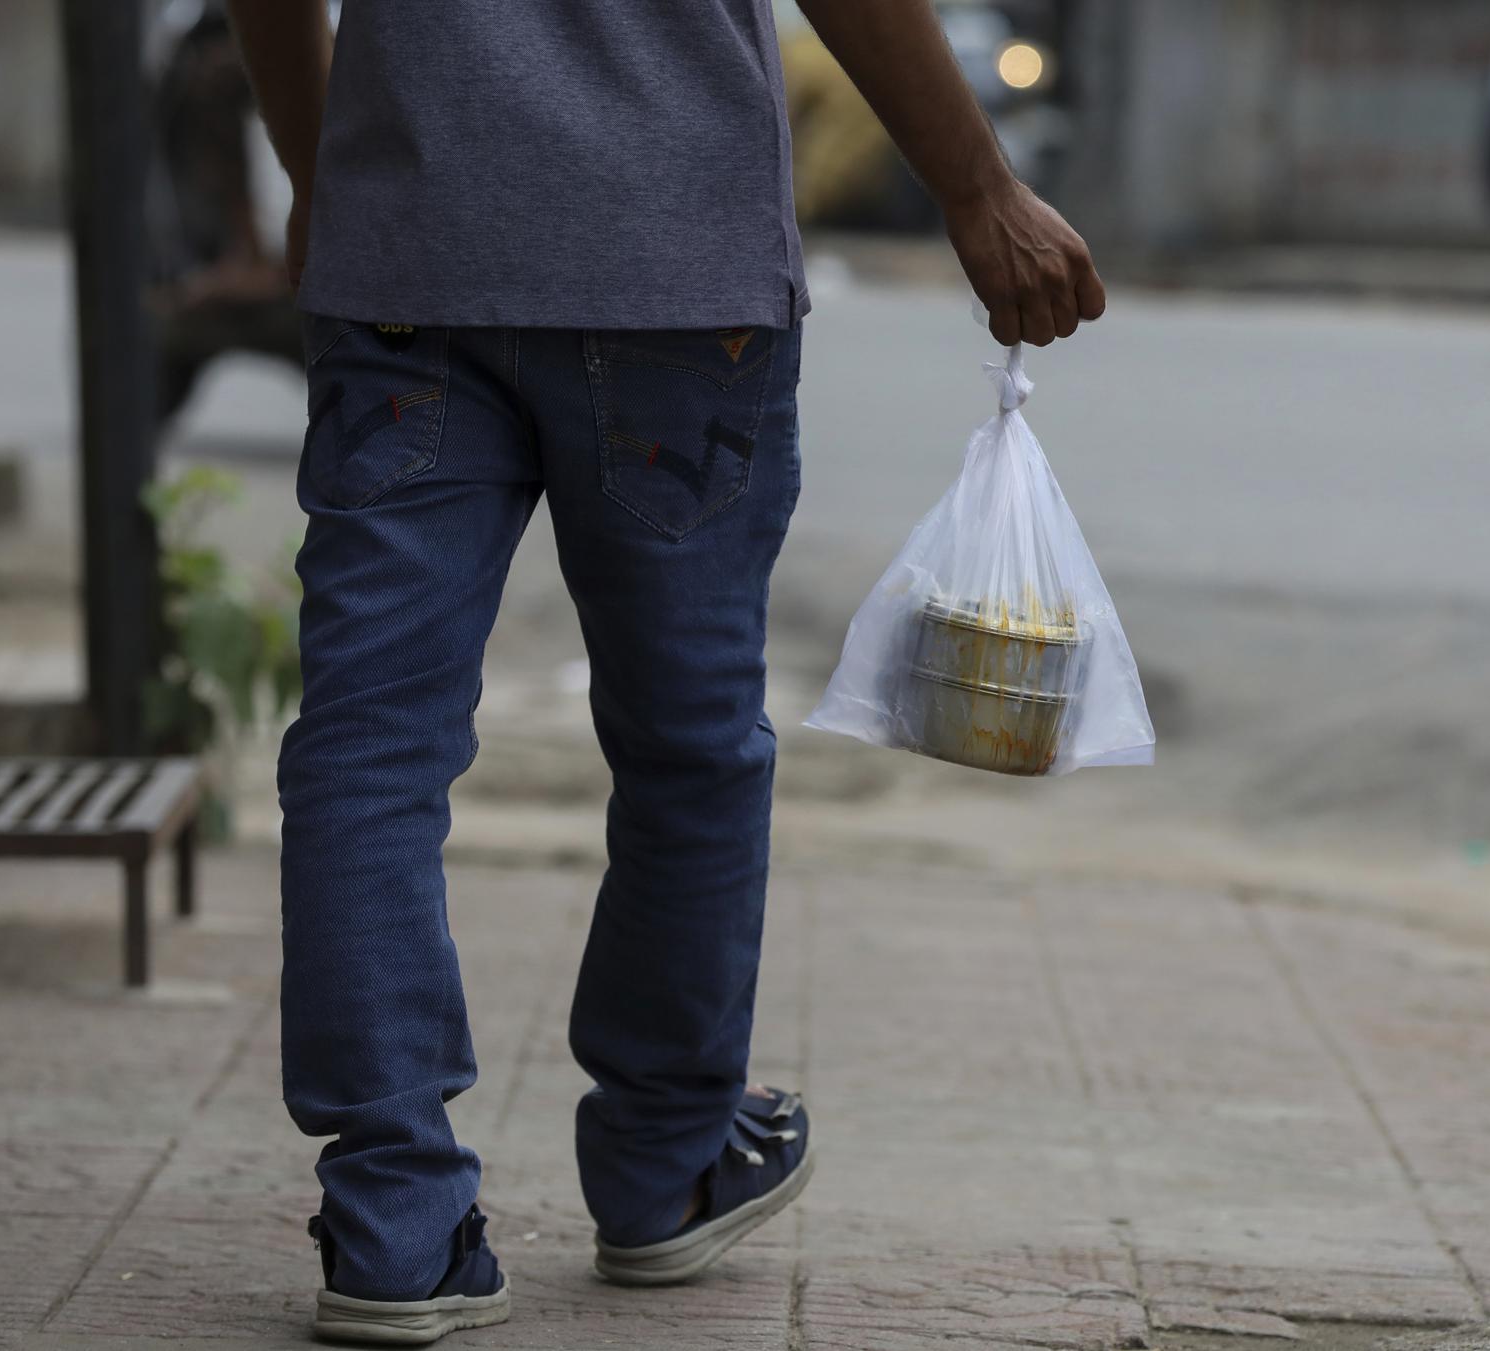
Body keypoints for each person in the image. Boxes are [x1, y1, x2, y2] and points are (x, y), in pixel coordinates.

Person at [226, 0, 1106, 1342]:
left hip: (411, 264)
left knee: (367, 750)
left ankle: (392, 1221)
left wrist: (318, 170)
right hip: (676, 276)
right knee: (687, 738)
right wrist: (978, 190)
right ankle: (665, 1163)